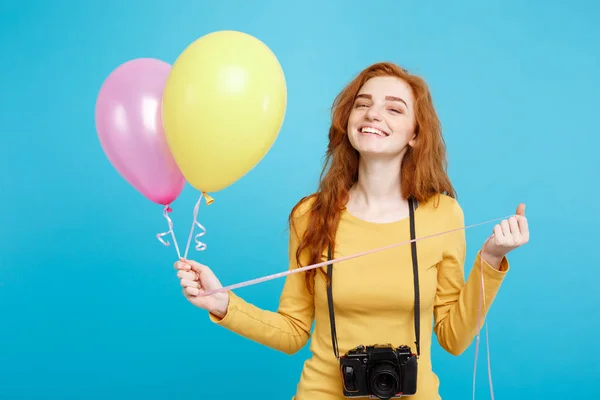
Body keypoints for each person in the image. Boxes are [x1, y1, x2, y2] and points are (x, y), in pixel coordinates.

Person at [174, 62, 529, 400]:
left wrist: (492, 259)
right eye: (363, 104)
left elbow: (453, 337)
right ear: (348, 122)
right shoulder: (311, 214)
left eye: (394, 109)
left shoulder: (442, 214)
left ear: (416, 136)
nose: (373, 114)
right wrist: (222, 303)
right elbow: (294, 331)